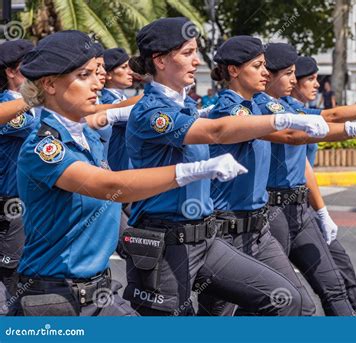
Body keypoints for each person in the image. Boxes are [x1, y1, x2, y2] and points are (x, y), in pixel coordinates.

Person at [12, 30, 245, 316]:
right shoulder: (43, 148)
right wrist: (193, 170)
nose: (97, 83)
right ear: (49, 84)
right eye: (84, 76)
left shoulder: (86, 134)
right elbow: (109, 186)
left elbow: (122, 110)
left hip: (97, 292)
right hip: (56, 300)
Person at [124, 18, 330, 316]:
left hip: (206, 240)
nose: (197, 61)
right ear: (160, 60)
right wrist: (282, 120)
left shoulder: (186, 107)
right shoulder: (152, 112)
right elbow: (215, 131)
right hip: (168, 246)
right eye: (187, 53)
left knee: (286, 299)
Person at [253, 44, 356, 316]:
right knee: (283, 301)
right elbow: (295, 135)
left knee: (334, 285)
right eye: (288, 74)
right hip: (272, 211)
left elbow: (328, 118)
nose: (293, 80)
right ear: (271, 75)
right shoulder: (259, 107)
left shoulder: (286, 105)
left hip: (299, 209)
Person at [0, 39, 37, 301]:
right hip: (12, 205)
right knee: (10, 278)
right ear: (11, 71)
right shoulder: (8, 107)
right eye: (30, 66)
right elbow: (38, 130)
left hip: (29, 203)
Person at [102, 48, 134, 171]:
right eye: (124, 67)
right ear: (108, 74)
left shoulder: (124, 98)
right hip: (116, 167)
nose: (130, 72)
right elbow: (137, 114)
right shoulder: (106, 100)